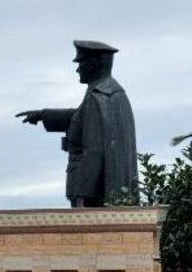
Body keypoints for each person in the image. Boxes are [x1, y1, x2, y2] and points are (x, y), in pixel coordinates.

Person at [16, 39, 138, 207]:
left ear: (93, 65)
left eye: (81, 63)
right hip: (95, 189)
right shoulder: (104, 93)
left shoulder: (99, 96)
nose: (77, 69)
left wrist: (82, 194)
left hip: (89, 194)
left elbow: (94, 151)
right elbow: (79, 117)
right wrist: (43, 115)